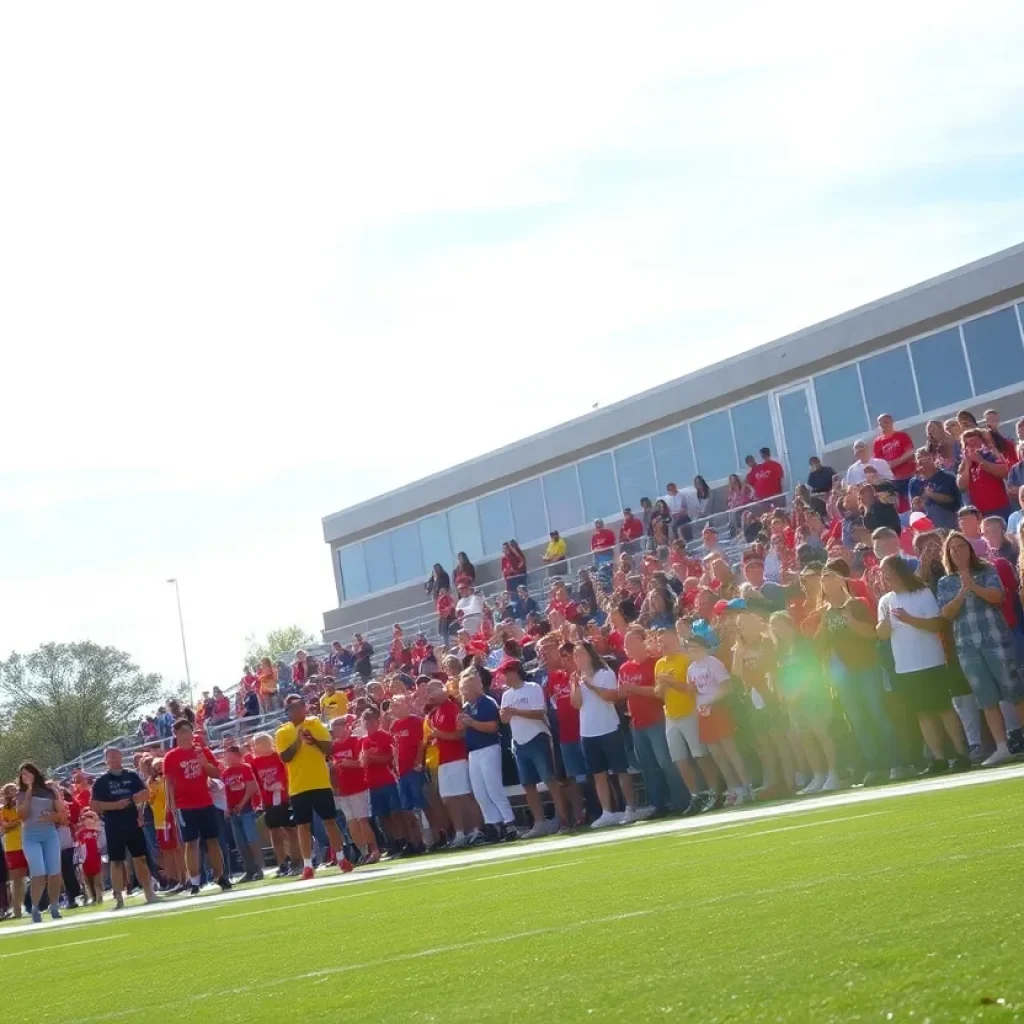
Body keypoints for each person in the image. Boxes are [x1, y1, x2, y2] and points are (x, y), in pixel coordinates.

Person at [875, 555, 971, 775]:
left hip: (931, 662)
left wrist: (910, 620)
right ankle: (939, 758)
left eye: (886, 570)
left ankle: (961, 753)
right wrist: (887, 622)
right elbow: (880, 634)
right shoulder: (885, 601)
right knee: (923, 713)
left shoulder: (922, 593)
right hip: (906, 666)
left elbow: (937, 624)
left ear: (898, 571)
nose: (883, 575)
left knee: (944, 708)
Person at [937, 533, 1024, 766]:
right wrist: (962, 592)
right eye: (952, 548)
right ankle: (1001, 747)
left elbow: (998, 597)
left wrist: (972, 585)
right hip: (967, 648)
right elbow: (946, 613)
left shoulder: (986, 571)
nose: (957, 551)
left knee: (1014, 691)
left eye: (961, 546)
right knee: (986, 698)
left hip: (995, 641)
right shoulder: (945, 582)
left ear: (969, 549)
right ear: (948, 554)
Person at [816, 561, 900, 786]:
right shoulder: (825, 614)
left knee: (878, 714)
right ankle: (873, 766)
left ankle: (895, 763)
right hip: (844, 675)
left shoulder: (857, 604)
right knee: (857, 720)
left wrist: (852, 622)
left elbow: (873, 634)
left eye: (831, 577)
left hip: (867, 668)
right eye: (823, 580)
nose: (826, 582)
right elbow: (820, 645)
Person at [571, 641, 653, 827]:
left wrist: (591, 685)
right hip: (588, 732)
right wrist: (576, 685)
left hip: (608, 728)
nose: (578, 658)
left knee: (620, 770)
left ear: (590, 654)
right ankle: (607, 812)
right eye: (575, 655)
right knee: (598, 774)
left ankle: (631, 808)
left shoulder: (605, 673)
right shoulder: (576, 677)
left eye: (580, 654)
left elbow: (611, 696)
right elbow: (576, 704)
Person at [276, 695, 350, 878]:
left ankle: (341, 857)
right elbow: (285, 757)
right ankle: (308, 865)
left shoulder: (316, 724)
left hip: (320, 782)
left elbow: (329, 750)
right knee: (303, 826)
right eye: (292, 707)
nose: (297, 709)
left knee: (330, 821)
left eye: (300, 705)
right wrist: (298, 740)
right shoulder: (282, 732)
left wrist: (313, 739)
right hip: (298, 785)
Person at [619, 627, 690, 815]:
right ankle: (658, 805)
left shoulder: (655, 663)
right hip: (637, 724)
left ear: (643, 642)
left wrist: (634, 688)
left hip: (657, 720)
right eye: (625, 643)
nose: (627, 646)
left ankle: (681, 801)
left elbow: (659, 693)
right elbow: (623, 693)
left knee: (666, 763)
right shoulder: (624, 668)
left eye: (632, 642)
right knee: (648, 768)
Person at [769, 612, 839, 795]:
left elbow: (812, 670)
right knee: (804, 737)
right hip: (793, 702)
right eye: (774, 628)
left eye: (780, 626)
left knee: (820, 732)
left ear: (790, 624)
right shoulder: (780, 650)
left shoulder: (804, 643)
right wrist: (784, 694)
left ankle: (834, 774)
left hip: (813, 696)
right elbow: (780, 675)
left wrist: (798, 692)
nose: (778, 630)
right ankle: (818, 776)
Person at [499, 659, 569, 836]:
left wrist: (515, 711)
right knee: (528, 784)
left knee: (550, 780)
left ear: (514, 672)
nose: (504, 678)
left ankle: (563, 820)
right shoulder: (506, 695)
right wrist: (505, 714)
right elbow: (504, 720)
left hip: (537, 738)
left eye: (506, 673)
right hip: (519, 742)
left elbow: (540, 712)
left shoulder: (533, 688)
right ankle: (540, 823)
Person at [163, 720, 232, 894]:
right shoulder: (171, 757)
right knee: (191, 843)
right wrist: (170, 805)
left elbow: (217, 773)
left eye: (189, 731)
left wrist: (204, 763)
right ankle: (194, 881)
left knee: (212, 840)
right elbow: (169, 783)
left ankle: (220, 875)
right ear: (177, 734)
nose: (187, 735)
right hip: (184, 805)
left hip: (205, 802)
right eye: (182, 731)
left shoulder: (203, 751)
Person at [90, 747, 158, 909]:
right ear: (106, 760)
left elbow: (146, 794)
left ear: (121, 757)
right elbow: (94, 805)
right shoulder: (101, 782)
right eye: (110, 756)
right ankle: (118, 897)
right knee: (116, 861)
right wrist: (115, 805)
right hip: (113, 825)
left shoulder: (132, 776)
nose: (113, 759)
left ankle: (149, 891)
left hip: (132, 822)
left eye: (116, 755)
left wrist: (136, 798)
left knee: (140, 858)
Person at [456, 668, 517, 841]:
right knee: (480, 792)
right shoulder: (466, 706)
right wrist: (463, 725)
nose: (464, 692)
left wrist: (471, 722)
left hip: (489, 747)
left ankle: (509, 822)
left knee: (493, 788)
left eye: (466, 688)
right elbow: (464, 730)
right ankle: (493, 824)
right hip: (474, 751)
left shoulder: (486, 702)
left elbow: (492, 727)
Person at [425, 678, 479, 848]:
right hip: (444, 760)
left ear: (443, 689)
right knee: (448, 798)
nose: (430, 694)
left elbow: (460, 734)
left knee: (464, 795)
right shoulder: (436, 713)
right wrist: (437, 738)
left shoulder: (452, 708)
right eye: (428, 691)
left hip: (456, 758)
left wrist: (440, 735)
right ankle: (460, 833)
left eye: (433, 689)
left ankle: (476, 830)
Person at [361, 707, 421, 857]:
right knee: (383, 816)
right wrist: (366, 758)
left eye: (372, 721)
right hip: (373, 783)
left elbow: (387, 758)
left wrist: (371, 757)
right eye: (366, 722)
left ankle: (410, 841)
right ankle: (396, 842)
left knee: (397, 813)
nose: (369, 725)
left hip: (388, 780)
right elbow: (363, 762)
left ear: (377, 721)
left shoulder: (385, 736)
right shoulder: (365, 741)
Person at [15, 763, 66, 923]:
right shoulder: (21, 794)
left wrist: (50, 817)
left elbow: (62, 815)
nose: (25, 777)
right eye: (23, 774)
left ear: (35, 774)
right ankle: (36, 908)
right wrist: (29, 792)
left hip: (49, 834)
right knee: (38, 871)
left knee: (54, 872)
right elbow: (22, 816)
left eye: (28, 773)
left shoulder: (50, 792)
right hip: (31, 836)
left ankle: (55, 905)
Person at [249, 732, 300, 876]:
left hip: (283, 798)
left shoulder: (278, 757)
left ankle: (297, 860)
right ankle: (282, 863)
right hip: (268, 801)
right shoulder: (255, 762)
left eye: (255, 744)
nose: (253, 748)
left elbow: (286, 775)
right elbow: (258, 782)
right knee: (274, 833)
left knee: (290, 830)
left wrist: (283, 788)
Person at [330, 716, 379, 865]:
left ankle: (374, 850)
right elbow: (333, 769)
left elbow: (362, 763)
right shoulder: (333, 747)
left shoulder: (356, 742)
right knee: (351, 823)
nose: (333, 732)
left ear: (345, 726)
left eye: (335, 728)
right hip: (344, 790)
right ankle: (363, 852)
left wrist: (346, 763)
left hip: (358, 787)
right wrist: (335, 786)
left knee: (362, 820)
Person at [221, 745, 264, 882]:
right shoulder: (225, 773)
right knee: (241, 844)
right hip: (234, 812)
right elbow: (225, 792)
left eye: (229, 754)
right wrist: (227, 808)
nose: (226, 757)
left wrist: (241, 803)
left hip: (246, 810)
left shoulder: (245, 768)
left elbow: (252, 787)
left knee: (252, 840)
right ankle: (249, 870)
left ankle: (259, 868)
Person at [147, 759, 185, 892]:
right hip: (159, 820)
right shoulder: (152, 782)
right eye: (155, 767)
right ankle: (172, 878)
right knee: (166, 851)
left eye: (160, 766)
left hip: (171, 817)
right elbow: (150, 800)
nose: (158, 770)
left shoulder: (170, 779)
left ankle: (183, 878)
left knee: (177, 849)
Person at [956, 428, 1010, 520]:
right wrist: (967, 466)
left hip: (1000, 507)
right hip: (979, 512)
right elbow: (962, 486)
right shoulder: (964, 463)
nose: (971, 445)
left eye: (974, 441)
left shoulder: (991, 454)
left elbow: (1004, 472)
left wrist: (980, 460)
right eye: (967, 443)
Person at [908, 449, 961, 530]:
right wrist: (917, 505)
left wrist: (931, 494)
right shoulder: (914, 482)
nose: (922, 460)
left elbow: (951, 499)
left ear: (933, 458)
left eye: (926, 456)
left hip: (948, 521)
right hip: (926, 525)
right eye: (919, 458)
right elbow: (915, 509)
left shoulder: (947, 476)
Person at [873, 414, 916, 504]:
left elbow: (910, 453)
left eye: (886, 422)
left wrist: (895, 462)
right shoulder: (877, 442)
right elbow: (879, 463)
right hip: (893, 480)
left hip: (909, 476)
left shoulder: (902, 436)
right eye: (881, 424)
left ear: (891, 423)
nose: (883, 426)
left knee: (914, 500)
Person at [1, 783, 27, 919]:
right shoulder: (3, 810)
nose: (13, 793)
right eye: (10, 791)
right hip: (12, 846)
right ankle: (17, 908)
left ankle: (28, 905)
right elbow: (4, 826)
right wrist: (17, 821)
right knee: (16, 880)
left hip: (27, 844)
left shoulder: (23, 805)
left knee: (31, 877)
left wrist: (15, 821)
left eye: (15, 790)